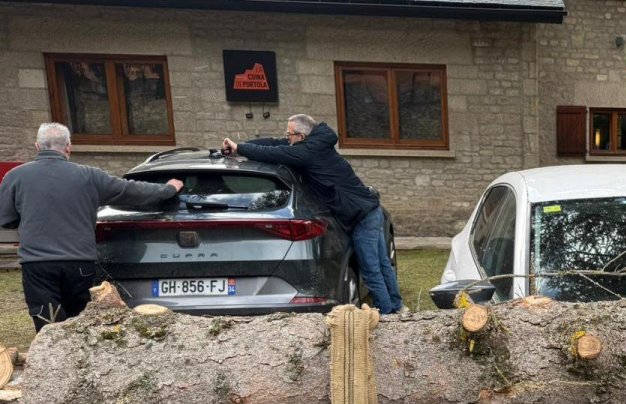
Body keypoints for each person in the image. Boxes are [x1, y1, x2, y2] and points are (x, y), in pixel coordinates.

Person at [0, 123, 183, 332]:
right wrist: (168, 189)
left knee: (47, 323)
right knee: (80, 323)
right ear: (68, 147)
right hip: (79, 263)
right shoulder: (90, 176)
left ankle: (52, 361)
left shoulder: (15, 177)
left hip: (37, 264)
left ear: (37, 146)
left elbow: (6, 219)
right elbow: (132, 191)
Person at [222, 114, 404, 314]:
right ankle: (396, 306)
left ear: (301, 136)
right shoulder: (315, 143)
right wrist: (240, 145)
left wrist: (240, 149)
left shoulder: (308, 153)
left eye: (289, 134)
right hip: (369, 209)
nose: (287, 137)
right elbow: (275, 143)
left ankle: (387, 314)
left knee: (371, 270)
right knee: (382, 262)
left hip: (361, 216)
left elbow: (276, 153)